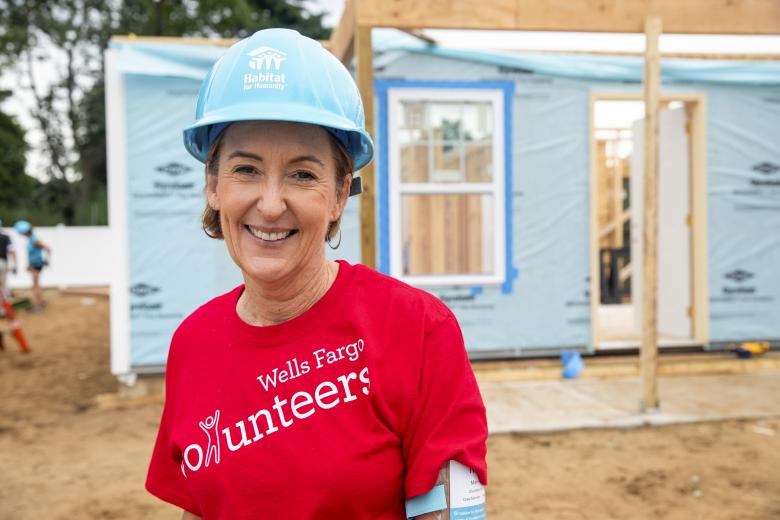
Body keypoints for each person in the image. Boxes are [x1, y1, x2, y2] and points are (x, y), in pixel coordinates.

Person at [145, 29, 487, 520]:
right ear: (213, 185)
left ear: (339, 193)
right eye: (246, 169)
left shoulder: (416, 329)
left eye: (303, 174)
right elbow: (200, 509)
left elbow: (453, 511)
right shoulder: (192, 343)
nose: (269, 203)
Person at [13, 220, 50, 311]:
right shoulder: (32, 238)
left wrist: (46, 260)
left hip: (36, 264)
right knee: (36, 284)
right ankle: (41, 302)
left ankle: (39, 305)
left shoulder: (34, 239)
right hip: (34, 264)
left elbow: (47, 248)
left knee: (35, 285)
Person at [0, 220, 17, 300]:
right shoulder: (6, 237)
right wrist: (14, 264)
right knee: (3, 284)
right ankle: (5, 303)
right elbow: (12, 250)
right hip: (3, 262)